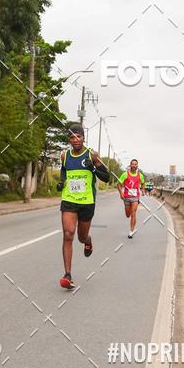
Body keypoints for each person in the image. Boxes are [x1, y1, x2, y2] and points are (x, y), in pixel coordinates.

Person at [57, 124, 110, 289]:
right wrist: (61, 181)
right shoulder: (64, 155)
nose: (76, 140)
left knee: (81, 237)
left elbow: (106, 177)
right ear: (69, 139)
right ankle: (68, 275)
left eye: (78, 136)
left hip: (87, 202)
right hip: (69, 199)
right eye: (72, 137)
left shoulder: (92, 154)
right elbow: (64, 170)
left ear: (83, 137)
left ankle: (88, 240)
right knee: (68, 234)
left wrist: (93, 168)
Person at [118, 159, 145, 237]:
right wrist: (121, 193)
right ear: (130, 165)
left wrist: (142, 190)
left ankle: (131, 231)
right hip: (126, 197)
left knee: (133, 212)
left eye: (135, 164)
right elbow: (119, 184)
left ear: (137, 166)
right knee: (127, 214)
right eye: (132, 164)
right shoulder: (125, 174)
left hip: (135, 197)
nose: (134, 166)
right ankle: (128, 213)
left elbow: (143, 183)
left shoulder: (140, 175)